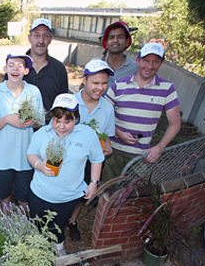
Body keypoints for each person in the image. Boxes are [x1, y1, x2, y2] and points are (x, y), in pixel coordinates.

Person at [27, 94, 104, 256]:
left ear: (76, 118)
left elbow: (97, 158)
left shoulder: (88, 135)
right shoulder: (42, 133)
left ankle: (58, 246)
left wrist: (94, 182)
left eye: (67, 121)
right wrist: (40, 165)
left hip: (69, 196)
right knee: (37, 224)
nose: (61, 126)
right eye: (57, 120)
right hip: (40, 193)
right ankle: (35, 248)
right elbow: (31, 154)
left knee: (59, 224)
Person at [101, 42, 181, 183]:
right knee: (108, 191)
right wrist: (119, 133)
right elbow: (102, 116)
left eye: (155, 62)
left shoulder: (167, 88)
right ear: (138, 61)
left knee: (132, 195)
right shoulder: (118, 85)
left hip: (141, 155)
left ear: (161, 63)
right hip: (114, 151)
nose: (150, 66)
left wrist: (160, 147)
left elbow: (175, 123)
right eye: (146, 61)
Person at [0, 50, 44, 210]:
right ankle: (6, 224)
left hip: (26, 156)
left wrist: (32, 121)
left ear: (26, 71)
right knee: (3, 196)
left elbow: (40, 122)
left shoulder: (34, 91)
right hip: (2, 156)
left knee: (24, 196)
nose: (15, 69)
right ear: (5, 69)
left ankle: (25, 227)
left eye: (20, 65)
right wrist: (6, 119)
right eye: (11, 65)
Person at [67, 59, 115, 241]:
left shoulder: (108, 108)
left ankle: (72, 221)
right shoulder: (70, 102)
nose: (100, 88)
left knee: (82, 194)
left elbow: (106, 136)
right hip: (69, 160)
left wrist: (107, 147)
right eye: (95, 82)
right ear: (84, 80)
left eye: (104, 83)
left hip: (91, 163)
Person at [24, 18, 69, 116]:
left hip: (50, 129)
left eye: (45, 36)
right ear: (29, 38)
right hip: (20, 128)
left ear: (50, 39)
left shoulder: (59, 68)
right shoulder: (17, 66)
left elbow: (63, 104)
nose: (41, 40)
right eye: (36, 35)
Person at [101, 20, 138, 86]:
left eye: (120, 37)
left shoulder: (136, 69)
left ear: (127, 41)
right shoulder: (96, 65)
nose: (115, 40)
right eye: (111, 37)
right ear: (106, 43)